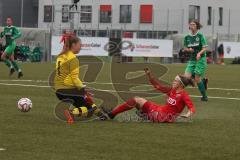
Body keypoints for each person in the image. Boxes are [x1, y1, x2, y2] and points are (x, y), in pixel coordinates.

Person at [106, 68, 196, 123]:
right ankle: (144, 115)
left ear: (181, 84)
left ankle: (111, 114)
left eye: (175, 81)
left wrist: (188, 114)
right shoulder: (172, 91)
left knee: (136, 101)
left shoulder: (184, 95)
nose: (173, 81)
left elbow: (191, 107)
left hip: (163, 117)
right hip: (160, 110)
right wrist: (150, 76)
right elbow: (158, 86)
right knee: (137, 100)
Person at [54, 36, 107, 124]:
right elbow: (74, 79)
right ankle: (71, 113)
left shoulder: (61, 56)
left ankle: (101, 115)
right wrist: (83, 89)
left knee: (86, 102)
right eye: (79, 45)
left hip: (58, 91)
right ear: (73, 45)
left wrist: (82, 91)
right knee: (88, 105)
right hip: (68, 90)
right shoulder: (73, 59)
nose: (81, 47)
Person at [183, 20, 208, 101]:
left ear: (197, 26)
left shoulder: (200, 35)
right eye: (190, 24)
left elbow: (205, 48)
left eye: (193, 24)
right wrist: (188, 50)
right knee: (186, 78)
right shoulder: (187, 37)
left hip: (201, 59)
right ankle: (202, 82)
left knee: (197, 79)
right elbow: (185, 48)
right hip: (192, 60)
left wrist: (199, 54)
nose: (191, 26)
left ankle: (204, 97)